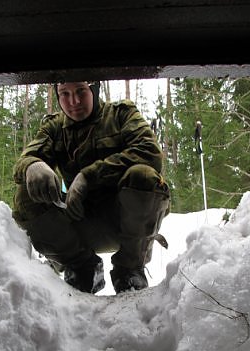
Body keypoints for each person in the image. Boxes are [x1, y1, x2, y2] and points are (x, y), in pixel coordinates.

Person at [12, 81, 170, 294]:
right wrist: (33, 165)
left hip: (125, 223)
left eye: (80, 92)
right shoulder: (54, 127)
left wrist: (89, 176)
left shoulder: (121, 114)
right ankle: (82, 268)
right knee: (26, 193)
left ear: (94, 90)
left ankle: (129, 270)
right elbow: (26, 158)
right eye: (64, 94)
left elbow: (150, 153)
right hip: (78, 223)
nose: (73, 101)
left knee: (144, 176)